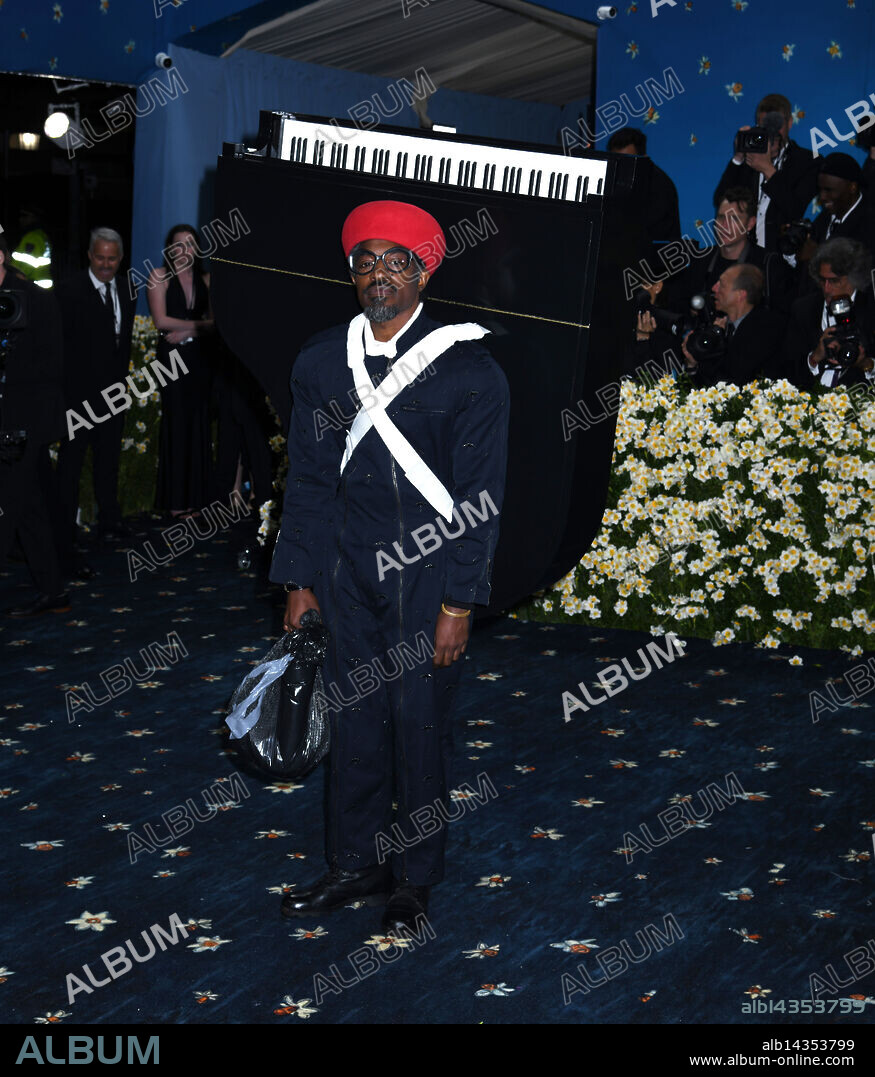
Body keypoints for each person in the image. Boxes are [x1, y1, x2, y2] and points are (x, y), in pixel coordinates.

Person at [269, 200, 509, 936]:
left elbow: (479, 499)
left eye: (396, 261)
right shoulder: (318, 359)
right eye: (366, 261)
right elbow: (307, 478)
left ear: (424, 269)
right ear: (351, 272)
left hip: (427, 576)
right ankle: (354, 862)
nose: (380, 274)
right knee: (354, 720)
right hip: (344, 571)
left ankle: (414, 877)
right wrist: (299, 579)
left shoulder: (470, 368)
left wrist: (460, 603)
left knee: (418, 725)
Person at [54, 228, 136, 567]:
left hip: (114, 391)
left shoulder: (127, 288)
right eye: (100, 258)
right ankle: (63, 531)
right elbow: (60, 346)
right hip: (77, 395)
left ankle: (110, 521)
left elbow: (121, 340)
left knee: (109, 460)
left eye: (112, 258)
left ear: (120, 258)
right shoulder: (69, 290)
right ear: (89, 255)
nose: (106, 265)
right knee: (70, 465)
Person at [0, 230, 69, 616]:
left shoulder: (37, 301)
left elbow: (52, 368)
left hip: (24, 423)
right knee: (25, 506)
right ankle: (53, 588)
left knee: (8, 502)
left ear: (1, 257)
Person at [147, 224, 214, 517]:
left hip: (200, 358)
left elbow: (215, 323)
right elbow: (161, 321)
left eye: (190, 244)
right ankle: (174, 503)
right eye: (178, 244)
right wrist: (199, 327)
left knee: (199, 425)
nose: (184, 250)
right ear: (169, 248)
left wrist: (192, 330)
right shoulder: (158, 276)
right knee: (175, 425)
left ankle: (196, 502)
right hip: (171, 360)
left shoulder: (207, 280)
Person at [713, 93, 820, 253]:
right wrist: (738, 158)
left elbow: (795, 209)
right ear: (757, 124)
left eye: (777, 125)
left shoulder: (807, 161)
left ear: (790, 123)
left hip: (784, 257)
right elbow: (721, 201)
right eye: (765, 125)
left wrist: (767, 169)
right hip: (747, 257)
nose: (772, 132)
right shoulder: (748, 160)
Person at [782, 237, 875, 388]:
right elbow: (789, 368)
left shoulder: (871, 308)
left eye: (834, 281)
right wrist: (814, 358)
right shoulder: (803, 309)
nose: (826, 289)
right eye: (822, 280)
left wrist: (865, 363)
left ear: (854, 278)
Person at [683, 187, 791, 313]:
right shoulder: (701, 261)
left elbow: (781, 318)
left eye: (734, 219)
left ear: (750, 224)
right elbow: (681, 305)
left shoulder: (768, 265)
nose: (725, 226)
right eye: (721, 217)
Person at [682, 264, 785, 385]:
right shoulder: (718, 324)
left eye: (721, 285)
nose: (714, 288)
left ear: (740, 295)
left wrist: (712, 350)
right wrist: (692, 365)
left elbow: (733, 381)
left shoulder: (765, 328)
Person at [608, 126, 681, 246]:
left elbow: (640, 231)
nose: (622, 167)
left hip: (654, 259)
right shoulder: (618, 181)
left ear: (644, 158)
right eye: (617, 161)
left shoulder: (659, 185)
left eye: (629, 161)